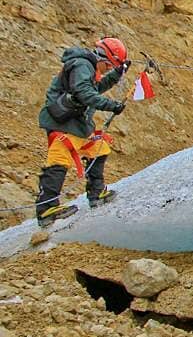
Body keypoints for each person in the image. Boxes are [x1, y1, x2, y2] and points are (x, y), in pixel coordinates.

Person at [35, 37, 130, 227]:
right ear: (104, 59)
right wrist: (111, 106)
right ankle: (47, 209)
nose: (107, 70)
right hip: (62, 126)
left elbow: (95, 88)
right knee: (58, 161)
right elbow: (84, 93)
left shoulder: (86, 66)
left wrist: (118, 73)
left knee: (99, 148)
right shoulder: (82, 65)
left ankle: (96, 193)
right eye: (109, 67)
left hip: (73, 125)